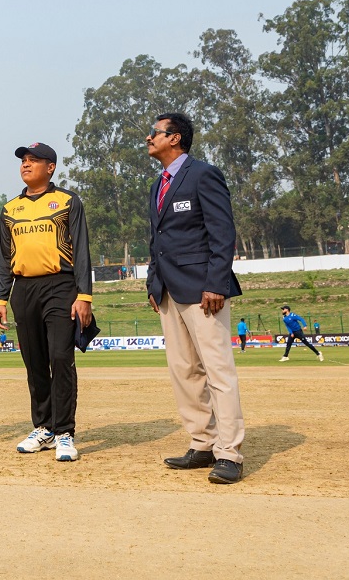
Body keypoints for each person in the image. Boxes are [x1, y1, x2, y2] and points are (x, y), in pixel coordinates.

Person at [145, 112, 245, 484]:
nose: (149, 138)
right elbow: (157, 242)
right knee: (184, 371)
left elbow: (223, 232)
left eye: (155, 133)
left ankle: (229, 453)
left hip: (205, 291)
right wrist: (154, 284)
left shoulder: (203, 174)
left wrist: (216, 283)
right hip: (169, 292)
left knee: (218, 371)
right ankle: (202, 443)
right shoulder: (158, 185)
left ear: (175, 138)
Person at [0, 142, 93, 463]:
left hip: (61, 287)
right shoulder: (10, 209)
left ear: (50, 167)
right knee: (35, 362)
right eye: (23, 160)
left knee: (61, 357)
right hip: (24, 289)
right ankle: (44, 428)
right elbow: (4, 258)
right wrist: (0, 299)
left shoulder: (66, 201)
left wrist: (84, 295)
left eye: (33, 160)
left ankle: (64, 432)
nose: (25, 165)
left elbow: (81, 251)